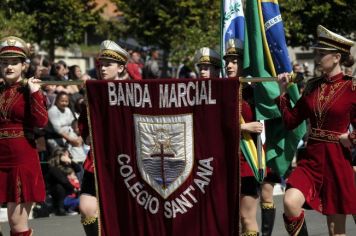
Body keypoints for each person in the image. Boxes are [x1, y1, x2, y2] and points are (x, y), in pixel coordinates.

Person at [276, 25, 356, 236]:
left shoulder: (352, 88)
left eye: (322, 53)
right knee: (290, 202)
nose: (317, 56)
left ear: (337, 57)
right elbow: (291, 121)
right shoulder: (312, 87)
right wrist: (283, 93)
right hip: (311, 160)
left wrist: (352, 137)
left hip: (337, 161)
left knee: (335, 230)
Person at [79, 39, 130, 236]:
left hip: (125, 161)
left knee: (123, 213)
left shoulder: (133, 93)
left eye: (108, 64)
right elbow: (84, 131)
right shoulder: (93, 92)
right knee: (86, 207)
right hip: (98, 159)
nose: (103, 69)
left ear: (121, 67)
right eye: (101, 65)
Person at [0, 36, 48, 236]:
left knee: (16, 223)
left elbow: (41, 122)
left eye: (14, 62)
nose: (9, 66)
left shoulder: (30, 89)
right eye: (4, 62)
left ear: (23, 65)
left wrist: (35, 93)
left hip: (21, 159)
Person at [223, 38, 263, 236]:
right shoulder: (221, 90)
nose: (229, 65)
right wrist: (243, 127)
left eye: (234, 60)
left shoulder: (254, 92)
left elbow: (268, 120)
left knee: (247, 218)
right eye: (227, 61)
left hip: (247, 160)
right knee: (229, 218)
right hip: (225, 163)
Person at [47, 148, 81, 216]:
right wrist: (73, 188)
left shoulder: (68, 165)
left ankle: (75, 207)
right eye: (65, 155)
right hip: (59, 191)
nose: (67, 156)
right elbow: (63, 181)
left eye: (67, 155)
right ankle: (60, 208)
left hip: (70, 189)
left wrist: (70, 161)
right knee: (59, 186)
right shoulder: (54, 168)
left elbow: (78, 169)